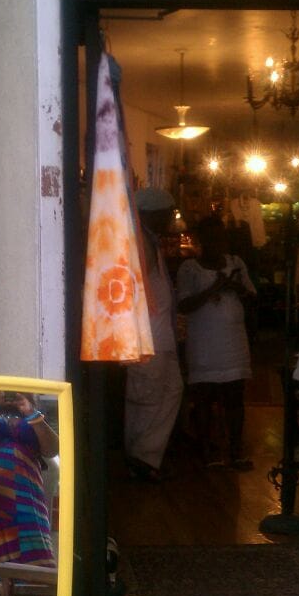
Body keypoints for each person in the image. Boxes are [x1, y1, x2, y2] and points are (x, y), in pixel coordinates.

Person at [176, 215, 256, 470]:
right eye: (211, 239)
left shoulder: (236, 263)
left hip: (233, 342)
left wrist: (237, 287)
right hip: (204, 344)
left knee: (235, 397)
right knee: (204, 397)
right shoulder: (189, 268)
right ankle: (207, 452)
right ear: (201, 240)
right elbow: (183, 305)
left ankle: (236, 451)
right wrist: (214, 288)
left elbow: (253, 297)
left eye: (221, 238)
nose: (217, 243)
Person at [124, 187, 183, 482]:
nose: (171, 219)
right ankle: (139, 458)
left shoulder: (149, 240)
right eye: (168, 213)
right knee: (146, 398)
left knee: (171, 390)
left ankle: (145, 454)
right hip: (148, 338)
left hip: (160, 336)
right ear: (152, 214)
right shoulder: (139, 242)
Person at [0, 390, 58, 567]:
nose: (8, 393)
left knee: (36, 550)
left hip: (28, 496)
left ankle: (34, 585)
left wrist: (30, 411)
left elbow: (52, 449)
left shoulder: (32, 415)